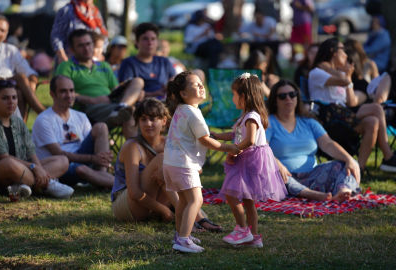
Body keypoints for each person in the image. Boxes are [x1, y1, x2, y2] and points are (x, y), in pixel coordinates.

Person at [111, 98, 224, 234]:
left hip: (152, 204)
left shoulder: (171, 142)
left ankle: (195, 218)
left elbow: (197, 170)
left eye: (153, 119)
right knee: (164, 160)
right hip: (128, 206)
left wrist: (169, 171)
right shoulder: (132, 146)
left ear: (164, 121)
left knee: (171, 168)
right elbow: (134, 193)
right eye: (143, 119)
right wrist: (163, 210)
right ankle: (196, 219)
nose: (148, 124)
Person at [164, 71, 241, 253]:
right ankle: (183, 240)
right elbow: (205, 140)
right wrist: (228, 147)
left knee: (183, 201)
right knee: (196, 200)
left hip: (171, 163)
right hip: (183, 164)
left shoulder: (181, 110)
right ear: (183, 94)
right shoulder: (193, 113)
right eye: (195, 84)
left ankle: (182, 234)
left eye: (201, 83)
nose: (200, 86)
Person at [211, 73, 287, 248]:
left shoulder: (252, 116)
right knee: (248, 200)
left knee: (231, 194)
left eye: (234, 94)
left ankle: (243, 230)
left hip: (249, 159)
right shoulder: (245, 116)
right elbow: (233, 134)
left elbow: (250, 140)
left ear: (243, 97)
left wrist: (233, 150)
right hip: (247, 158)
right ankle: (254, 238)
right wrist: (216, 135)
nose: (232, 98)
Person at [308, 38, 396, 173]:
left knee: (373, 121)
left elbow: (352, 102)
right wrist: (332, 70)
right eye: (343, 51)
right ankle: (388, 156)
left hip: (342, 115)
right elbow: (344, 81)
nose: (346, 55)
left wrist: (347, 76)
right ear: (333, 52)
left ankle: (359, 169)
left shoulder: (341, 74)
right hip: (328, 116)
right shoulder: (316, 73)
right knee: (376, 108)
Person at [266, 79, 361, 202]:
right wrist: (276, 163)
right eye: (282, 96)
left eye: (292, 94)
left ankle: (343, 192)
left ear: (297, 97)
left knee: (348, 163)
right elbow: (261, 148)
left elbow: (328, 144)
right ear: (275, 101)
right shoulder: (268, 123)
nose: (288, 98)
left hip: (312, 176)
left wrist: (349, 159)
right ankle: (312, 195)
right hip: (283, 177)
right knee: (273, 172)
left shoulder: (309, 122)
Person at [56, 29, 144, 138]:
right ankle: (136, 153)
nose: (86, 48)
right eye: (81, 45)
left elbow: (115, 89)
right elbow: (61, 94)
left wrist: (133, 93)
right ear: (72, 50)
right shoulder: (66, 66)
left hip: (111, 104)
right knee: (130, 113)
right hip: (87, 108)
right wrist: (93, 100)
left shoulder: (104, 66)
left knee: (137, 81)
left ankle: (122, 107)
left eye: (88, 44)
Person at [32, 75, 114, 188]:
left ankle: (103, 174)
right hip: (61, 166)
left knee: (101, 127)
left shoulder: (80, 116)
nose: (69, 95)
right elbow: (58, 153)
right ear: (52, 94)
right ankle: (124, 185)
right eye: (63, 91)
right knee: (82, 169)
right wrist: (93, 159)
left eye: (71, 90)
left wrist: (104, 156)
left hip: (82, 157)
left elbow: (93, 143)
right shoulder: (43, 120)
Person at [0, 78, 74, 198]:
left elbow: (31, 152)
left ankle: (22, 185)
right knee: (9, 163)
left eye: (14, 97)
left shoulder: (18, 122)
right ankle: (46, 185)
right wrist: (34, 167)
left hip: (23, 169)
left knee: (63, 160)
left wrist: (40, 169)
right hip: (4, 171)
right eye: (5, 98)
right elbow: (3, 157)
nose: (11, 102)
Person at [0, 15, 45, 118]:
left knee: (19, 92)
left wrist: (31, 84)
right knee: (20, 78)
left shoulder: (10, 50)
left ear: (6, 33)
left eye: (2, 31)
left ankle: (18, 131)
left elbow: (31, 73)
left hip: (7, 89)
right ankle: (44, 114)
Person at [118, 23, 175, 99]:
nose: (150, 43)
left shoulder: (164, 61)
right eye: (145, 39)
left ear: (157, 42)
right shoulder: (128, 63)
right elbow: (125, 93)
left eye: (153, 39)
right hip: (141, 106)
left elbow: (174, 80)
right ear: (137, 43)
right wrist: (153, 94)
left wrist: (170, 85)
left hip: (166, 102)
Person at [51, 0, 108, 66]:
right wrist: (62, 56)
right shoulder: (67, 10)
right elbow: (57, 36)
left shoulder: (95, 12)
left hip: (92, 63)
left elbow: (102, 35)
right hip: (70, 62)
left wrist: (100, 52)